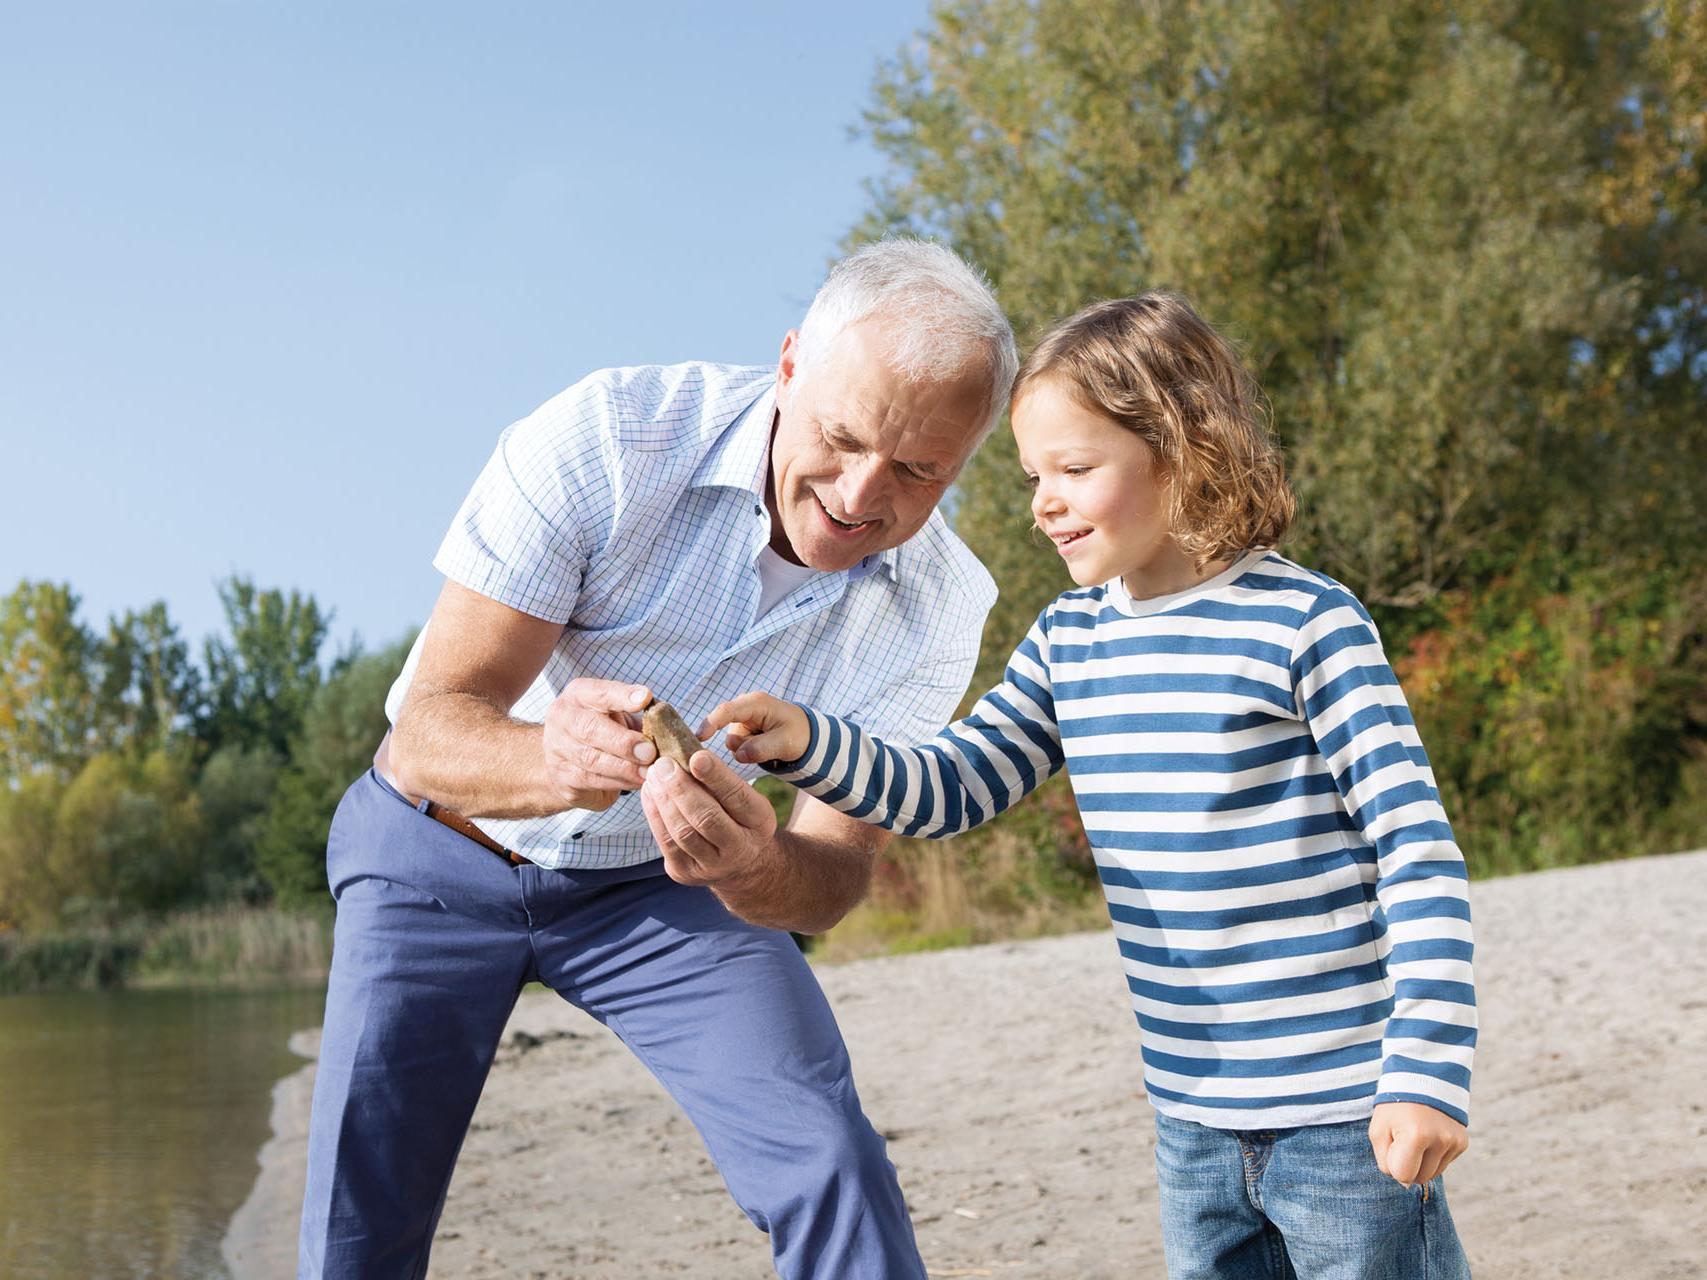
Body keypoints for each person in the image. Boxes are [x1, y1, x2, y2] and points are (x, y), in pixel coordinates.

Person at [708, 293, 1479, 1279]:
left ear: (1183, 448)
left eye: (1075, 469)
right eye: (1035, 475)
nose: (1043, 501)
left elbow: (1416, 854)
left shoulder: (1305, 624)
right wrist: (812, 741)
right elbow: (955, 784)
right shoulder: (1069, 642)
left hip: (1347, 1110)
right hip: (1191, 1117)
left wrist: (1425, 1074)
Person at [296, 238, 1018, 1279]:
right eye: (842, 435)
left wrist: (756, 864)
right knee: (361, 1223)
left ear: (967, 454)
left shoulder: (943, 606)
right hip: (435, 847)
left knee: (830, 1157)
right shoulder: (607, 436)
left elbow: (833, 875)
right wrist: (554, 755)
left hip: (659, 887)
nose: (864, 495)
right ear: (786, 366)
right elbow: (430, 730)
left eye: (919, 469)